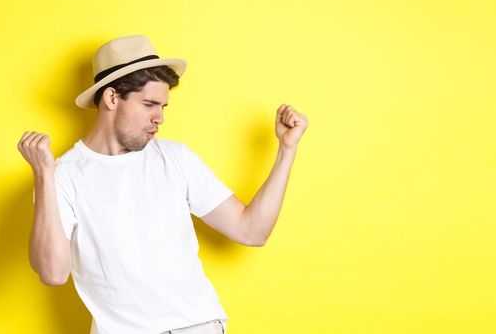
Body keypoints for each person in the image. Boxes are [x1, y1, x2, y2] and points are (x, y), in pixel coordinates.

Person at [17, 35, 307, 334]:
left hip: (197, 327)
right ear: (112, 98)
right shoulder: (63, 175)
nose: (160, 118)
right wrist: (43, 175)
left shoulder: (175, 157)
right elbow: (52, 272)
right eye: (149, 104)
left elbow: (252, 231)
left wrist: (287, 150)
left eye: (163, 106)